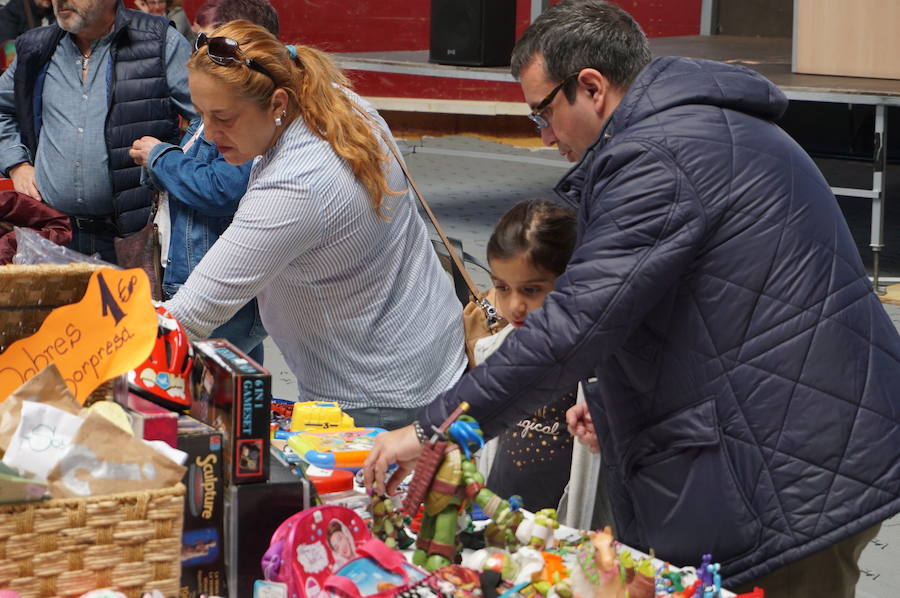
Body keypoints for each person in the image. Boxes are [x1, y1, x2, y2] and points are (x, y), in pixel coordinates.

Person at [363, 1, 900, 595]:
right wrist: (619, 395)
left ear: (590, 87)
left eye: (542, 113)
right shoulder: (694, 130)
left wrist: (436, 429)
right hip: (804, 441)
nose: (543, 137)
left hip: (789, 470)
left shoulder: (659, 155)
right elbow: (708, 302)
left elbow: (572, 326)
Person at [164, 21, 466, 430]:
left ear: (276, 104)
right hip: (428, 351)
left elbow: (189, 316)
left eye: (223, 118)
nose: (208, 133)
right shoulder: (335, 102)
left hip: (374, 395)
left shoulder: (297, 187)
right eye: (200, 114)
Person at [128, 2, 280, 364]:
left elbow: (220, 188)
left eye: (210, 45)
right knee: (237, 395)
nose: (199, 56)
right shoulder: (228, 108)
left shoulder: (255, 121)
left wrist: (159, 157)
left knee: (199, 386)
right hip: (216, 285)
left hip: (218, 290)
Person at [0, 0, 196, 263]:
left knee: (128, 306)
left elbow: (208, 123)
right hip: (53, 231)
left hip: (133, 235)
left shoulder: (159, 41)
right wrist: (17, 164)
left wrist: (169, 164)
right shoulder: (36, 47)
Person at [474, 199, 577, 511]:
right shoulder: (495, 351)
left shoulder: (591, 365)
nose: (515, 305)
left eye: (531, 290)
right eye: (502, 288)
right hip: (499, 518)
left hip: (566, 532)